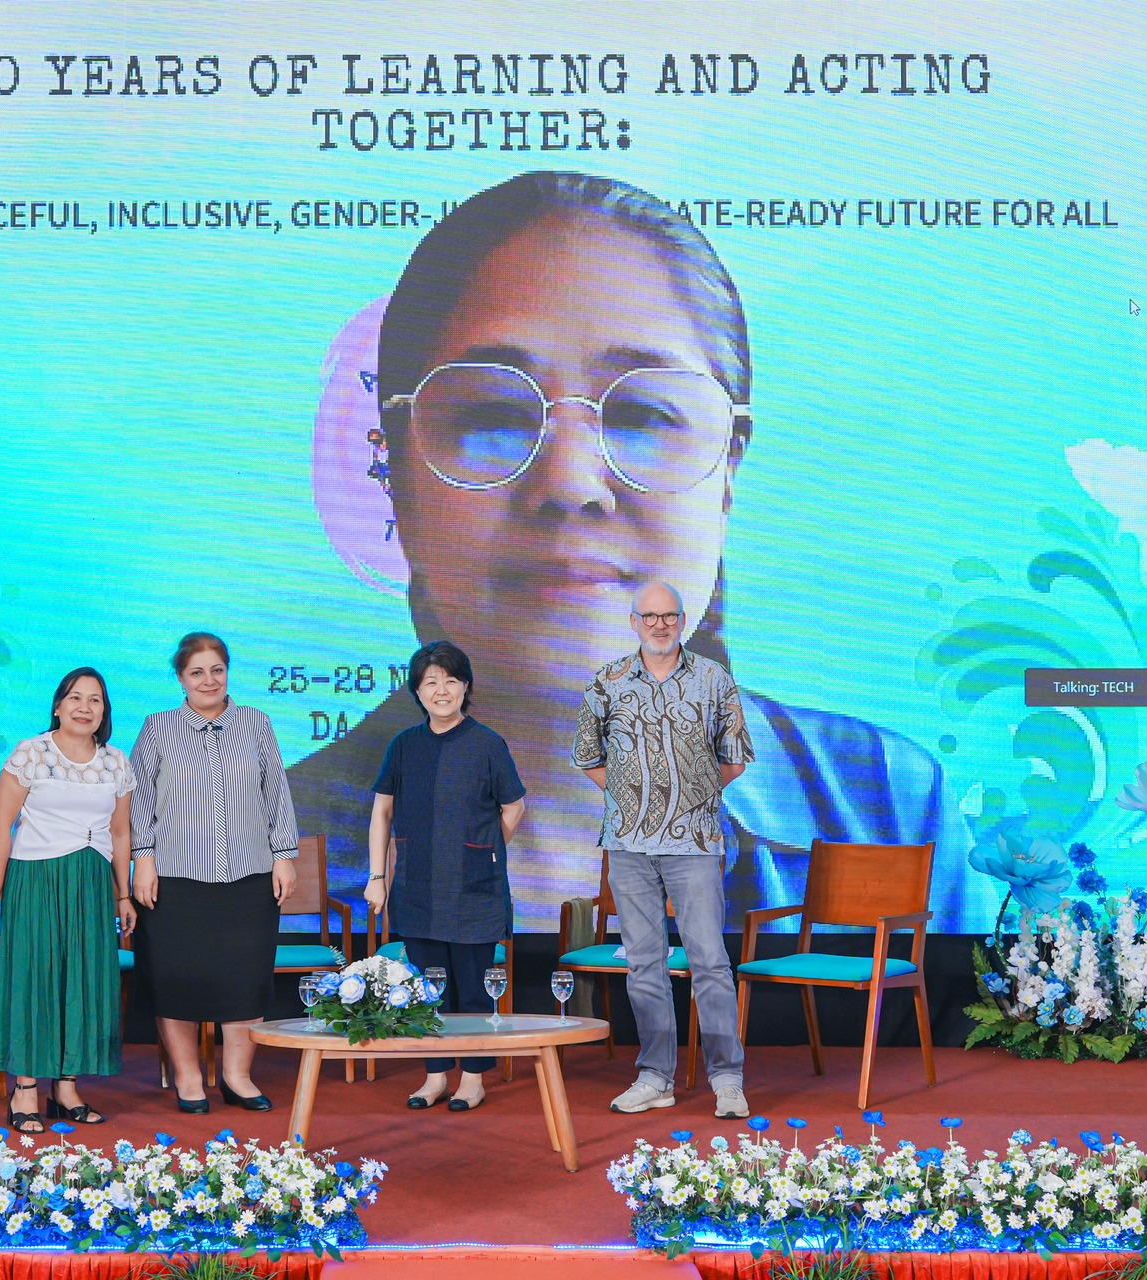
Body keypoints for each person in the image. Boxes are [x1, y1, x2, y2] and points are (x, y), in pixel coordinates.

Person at [288, 170, 973, 934]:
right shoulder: (262, 836)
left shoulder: (888, 806)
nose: (570, 483)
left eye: (644, 414)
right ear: (397, 479)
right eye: (492, 414)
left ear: (728, 471)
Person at [574, 581, 753, 1118]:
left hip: (694, 844)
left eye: (669, 615)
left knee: (710, 961)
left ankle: (727, 1079)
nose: (659, 625)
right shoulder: (606, 681)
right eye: (649, 616)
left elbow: (735, 757)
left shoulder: (713, 679)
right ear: (633, 622)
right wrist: (635, 800)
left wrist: (688, 797)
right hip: (628, 846)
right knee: (643, 965)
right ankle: (656, 1077)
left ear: (682, 620)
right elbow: (587, 756)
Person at [129, 632, 299, 1113]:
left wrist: (284, 855)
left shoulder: (256, 723)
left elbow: (275, 792)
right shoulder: (158, 727)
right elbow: (138, 799)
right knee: (175, 979)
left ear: (228, 672)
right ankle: (188, 1078)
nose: (209, 680)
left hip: (249, 876)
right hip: (174, 880)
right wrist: (143, 857)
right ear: (181, 678)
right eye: (197, 672)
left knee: (244, 980)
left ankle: (237, 1077)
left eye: (217, 670)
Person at [0, 667, 135, 1133]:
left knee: (82, 980)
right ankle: (25, 1089)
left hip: (91, 883)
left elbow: (120, 833)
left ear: (104, 711)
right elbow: (1, 825)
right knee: (34, 977)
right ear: (58, 706)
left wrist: (123, 893)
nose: (85, 707)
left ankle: (66, 1088)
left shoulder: (116, 762)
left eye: (95, 700)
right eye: (75, 698)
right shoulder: (32, 753)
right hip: (36, 878)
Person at [364, 640, 526, 1112]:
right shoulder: (404, 745)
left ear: (465, 687)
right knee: (426, 988)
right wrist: (377, 876)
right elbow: (382, 812)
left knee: (472, 989)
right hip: (417, 886)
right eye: (431, 682)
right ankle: (435, 1076)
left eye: (451, 681)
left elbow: (514, 806)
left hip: (474, 891)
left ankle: (472, 1079)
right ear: (417, 691)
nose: (441, 690)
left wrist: (485, 851)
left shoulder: (487, 743)